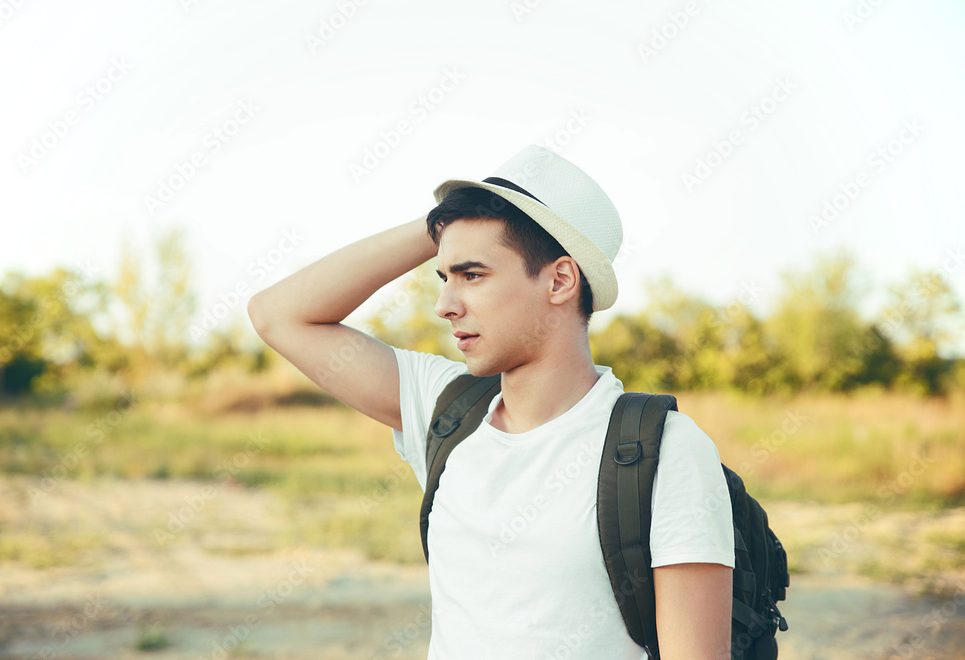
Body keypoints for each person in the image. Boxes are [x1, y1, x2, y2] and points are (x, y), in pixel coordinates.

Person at [247, 144, 735, 659]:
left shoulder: (663, 450)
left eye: (472, 275)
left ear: (560, 280)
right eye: (444, 276)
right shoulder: (446, 409)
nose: (444, 305)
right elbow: (277, 315)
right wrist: (445, 222)